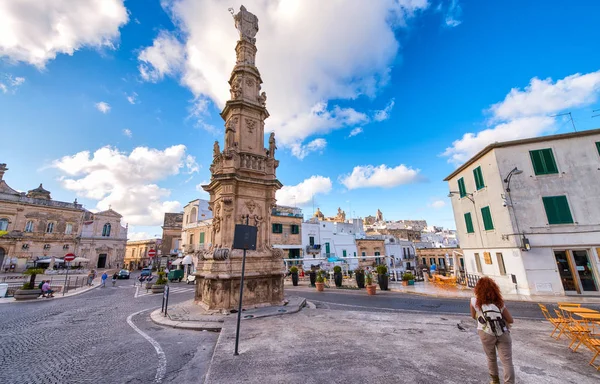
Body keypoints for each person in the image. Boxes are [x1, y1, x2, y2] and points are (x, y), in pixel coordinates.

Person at [470, 277, 515, 384]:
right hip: (502, 332)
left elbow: (473, 316)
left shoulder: (474, 301)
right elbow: (510, 320)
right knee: (507, 361)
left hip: (485, 332)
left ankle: (494, 381)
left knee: (491, 358)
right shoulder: (499, 303)